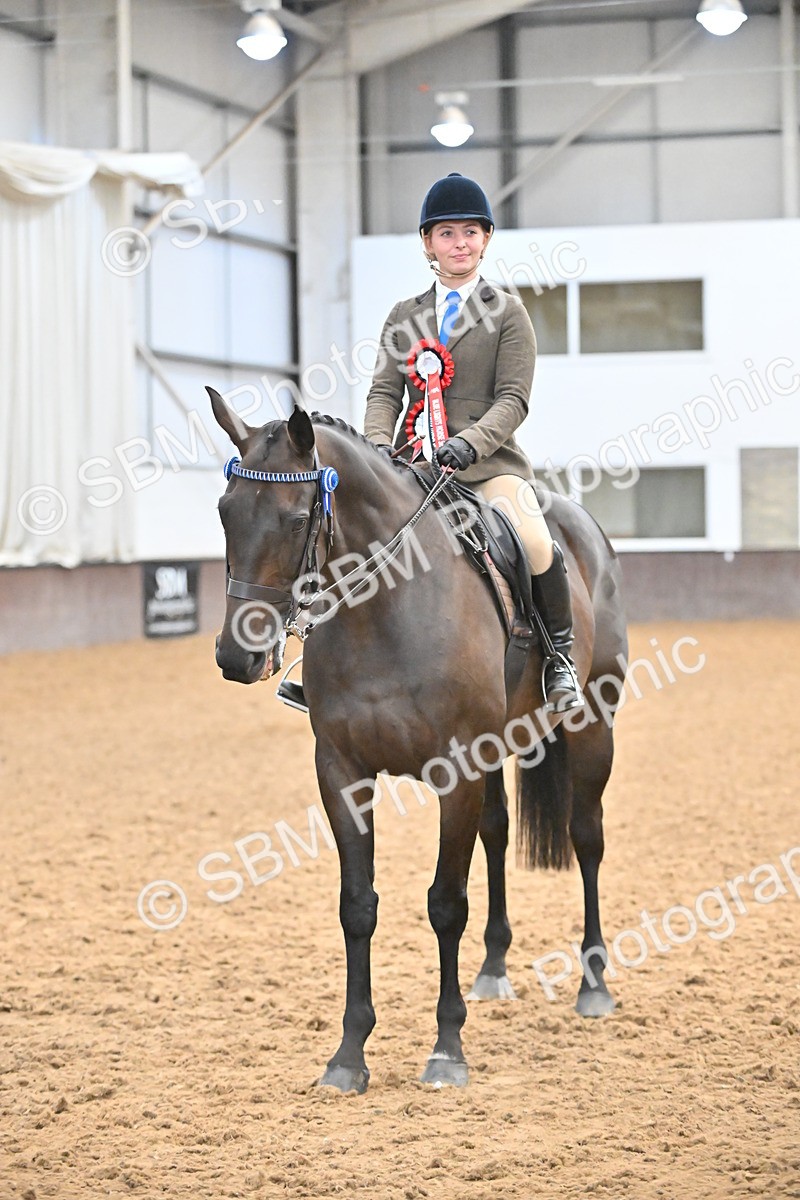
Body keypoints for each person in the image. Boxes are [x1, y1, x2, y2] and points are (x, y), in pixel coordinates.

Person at [362, 171, 583, 713]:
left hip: (487, 467)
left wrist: (469, 444)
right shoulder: (404, 316)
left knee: (534, 541)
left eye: (469, 232)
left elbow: (514, 399)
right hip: (412, 468)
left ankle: (559, 659)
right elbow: (384, 393)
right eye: (446, 233)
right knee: (352, 539)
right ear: (427, 243)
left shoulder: (508, 312)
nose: (458, 243)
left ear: (485, 239)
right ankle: (332, 666)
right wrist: (376, 448)